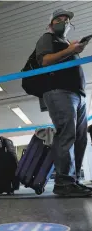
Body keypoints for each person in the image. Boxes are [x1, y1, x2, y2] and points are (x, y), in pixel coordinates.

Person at [36, 9, 90, 196]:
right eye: (59, 19)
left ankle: (72, 180)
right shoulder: (47, 38)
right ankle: (63, 182)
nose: (64, 22)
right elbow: (44, 61)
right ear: (51, 23)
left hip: (78, 94)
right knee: (66, 134)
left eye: (66, 20)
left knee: (80, 137)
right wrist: (70, 50)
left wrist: (72, 48)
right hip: (60, 91)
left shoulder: (66, 42)